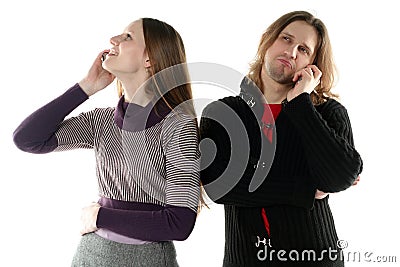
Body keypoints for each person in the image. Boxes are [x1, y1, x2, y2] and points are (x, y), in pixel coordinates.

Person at [13, 18, 201, 267]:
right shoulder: (101, 121)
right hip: (90, 256)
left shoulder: (178, 126)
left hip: (147, 260)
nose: (114, 40)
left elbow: (179, 223)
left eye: (128, 37)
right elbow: (27, 139)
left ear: (150, 60)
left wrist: (101, 215)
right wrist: (86, 87)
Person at [199, 11, 363, 267]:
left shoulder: (327, 113)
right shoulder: (222, 113)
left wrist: (301, 104)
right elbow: (218, 186)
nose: (292, 52)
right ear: (267, 40)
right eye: (286, 39)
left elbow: (340, 177)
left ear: (313, 65)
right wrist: (304, 190)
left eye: (304, 49)